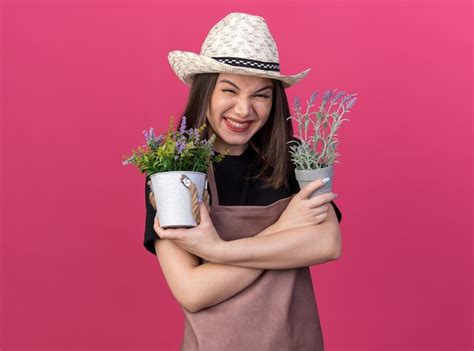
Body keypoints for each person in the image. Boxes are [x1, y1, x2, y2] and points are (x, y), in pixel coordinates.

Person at [143, 12, 343, 351]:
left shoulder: (294, 156)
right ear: (204, 91)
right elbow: (192, 291)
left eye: (261, 95)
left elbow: (327, 244)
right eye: (229, 90)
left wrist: (218, 251)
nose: (244, 109)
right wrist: (286, 227)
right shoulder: (175, 169)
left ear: (274, 100)